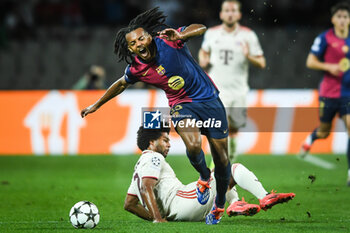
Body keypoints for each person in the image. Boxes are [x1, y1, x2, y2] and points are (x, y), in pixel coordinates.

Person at [80, 8, 231, 224]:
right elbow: (121, 83)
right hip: (182, 105)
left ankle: (219, 205)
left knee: (223, 160)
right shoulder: (137, 68)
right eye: (133, 43)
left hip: (210, 102)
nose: (138, 44)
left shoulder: (169, 41)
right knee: (194, 144)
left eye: (141, 38)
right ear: (129, 48)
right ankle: (205, 177)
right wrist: (96, 104)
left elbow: (201, 28)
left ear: (150, 36)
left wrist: (183, 35)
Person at [124, 126, 295, 222]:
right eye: (165, 140)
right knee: (231, 169)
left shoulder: (138, 167)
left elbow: (129, 204)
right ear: (152, 142)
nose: (169, 145)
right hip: (183, 200)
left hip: (179, 210)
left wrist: (161, 216)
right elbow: (147, 185)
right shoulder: (154, 158)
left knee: (217, 176)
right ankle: (264, 197)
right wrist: (157, 219)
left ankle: (234, 203)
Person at [198, 0, 266, 164]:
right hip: (217, 90)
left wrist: (248, 55)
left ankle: (228, 168)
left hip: (239, 91)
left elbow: (262, 63)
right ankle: (216, 170)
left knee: (233, 130)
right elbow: (203, 51)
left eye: (233, 10)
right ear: (221, 14)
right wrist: (203, 60)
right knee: (220, 128)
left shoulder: (248, 35)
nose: (230, 13)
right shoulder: (212, 33)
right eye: (227, 10)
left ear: (239, 14)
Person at [298, 2, 350, 186]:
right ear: (333, 19)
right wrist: (329, 66)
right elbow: (310, 61)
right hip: (328, 93)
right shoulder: (325, 38)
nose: (342, 20)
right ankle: (312, 137)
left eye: (346, 17)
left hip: (347, 93)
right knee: (324, 132)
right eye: (339, 17)